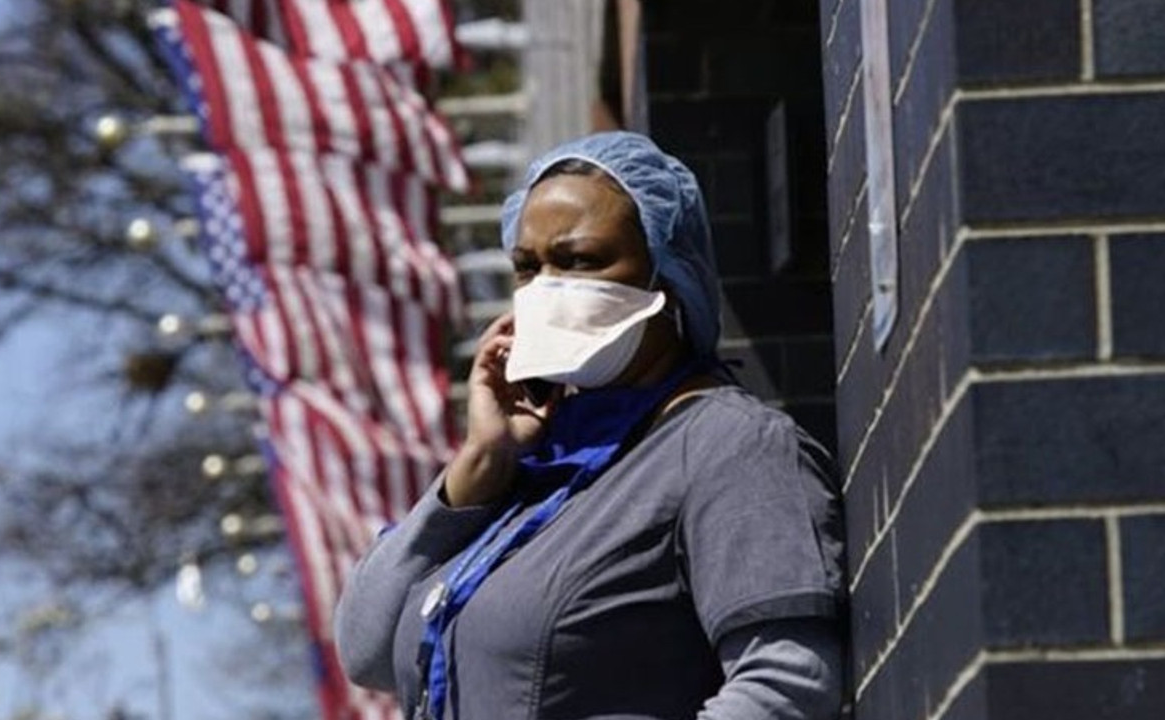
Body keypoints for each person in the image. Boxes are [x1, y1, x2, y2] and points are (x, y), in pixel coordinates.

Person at [335, 131, 846, 720]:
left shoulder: (729, 445)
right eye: (528, 268)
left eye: (581, 260)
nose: (549, 287)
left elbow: (788, 685)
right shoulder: (533, 474)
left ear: (668, 272)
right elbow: (366, 651)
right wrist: (475, 470)